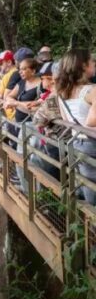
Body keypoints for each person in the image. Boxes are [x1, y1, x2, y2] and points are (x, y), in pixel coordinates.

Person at [56, 49, 96, 204]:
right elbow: (92, 121)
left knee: (86, 185)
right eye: (92, 61)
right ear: (84, 66)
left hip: (76, 142)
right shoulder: (91, 90)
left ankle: (85, 216)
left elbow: (66, 120)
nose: (94, 64)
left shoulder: (62, 91)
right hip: (92, 144)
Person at [4, 57, 41, 191]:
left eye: (24, 69)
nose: (20, 72)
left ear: (33, 70)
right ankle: (26, 186)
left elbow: (36, 107)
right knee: (20, 156)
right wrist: (16, 103)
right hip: (20, 125)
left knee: (34, 159)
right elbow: (8, 96)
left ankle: (36, 191)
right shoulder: (21, 83)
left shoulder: (41, 85)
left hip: (33, 127)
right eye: (20, 69)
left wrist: (15, 104)